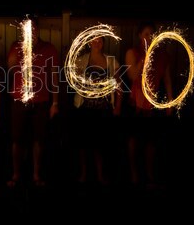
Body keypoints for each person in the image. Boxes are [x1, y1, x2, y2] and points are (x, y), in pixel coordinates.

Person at [7, 17, 59, 187]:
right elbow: (11, 68)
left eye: (34, 28)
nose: (31, 32)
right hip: (19, 100)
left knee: (39, 139)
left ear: (38, 29)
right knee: (17, 139)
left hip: (42, 101)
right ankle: (16, 174)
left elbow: (54, 77)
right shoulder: (16, 46)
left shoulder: (49, 48)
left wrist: (55, 103)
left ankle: (36, 175)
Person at [125, 22, 173, 187]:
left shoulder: (163, 55)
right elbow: (132, 77)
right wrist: (144, 58)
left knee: (151, 140)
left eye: (152, 34)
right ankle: (133, 172)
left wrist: (170, 103)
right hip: (136, 103)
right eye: (146, 34)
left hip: (154, 104)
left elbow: (166, 80)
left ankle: (149, 172)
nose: (150, 37)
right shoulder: (133, 52)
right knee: (134, 139)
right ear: (139, 35)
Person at [73, 37, 122, 185]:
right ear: (89, 43)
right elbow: (74, 81)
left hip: (103, 109)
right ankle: (83, 174)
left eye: (100, 41)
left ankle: (100, 176)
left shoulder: (111, 61)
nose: (97, 43)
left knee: (100, 144)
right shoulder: (81, 60)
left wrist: (118, 106)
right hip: (84, 108)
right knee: (83, 144)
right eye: (94, 41)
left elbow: (119, 86)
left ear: (103, 44)